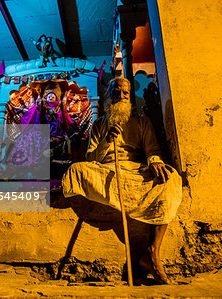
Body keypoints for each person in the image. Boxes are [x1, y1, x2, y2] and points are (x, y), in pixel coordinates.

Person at [62, 77, 182, 284]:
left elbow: (152, 150)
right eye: (117, 92)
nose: (122, 96)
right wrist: (107, 140)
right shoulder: (99, 123)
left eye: (125, 93)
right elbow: (91, 159)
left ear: (130, 97)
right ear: (110, 96)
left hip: (135, 170)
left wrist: (154, 161)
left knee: (170, 178)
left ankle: (152, 253)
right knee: (76, 170)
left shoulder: (142, 122)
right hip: (105, 170)